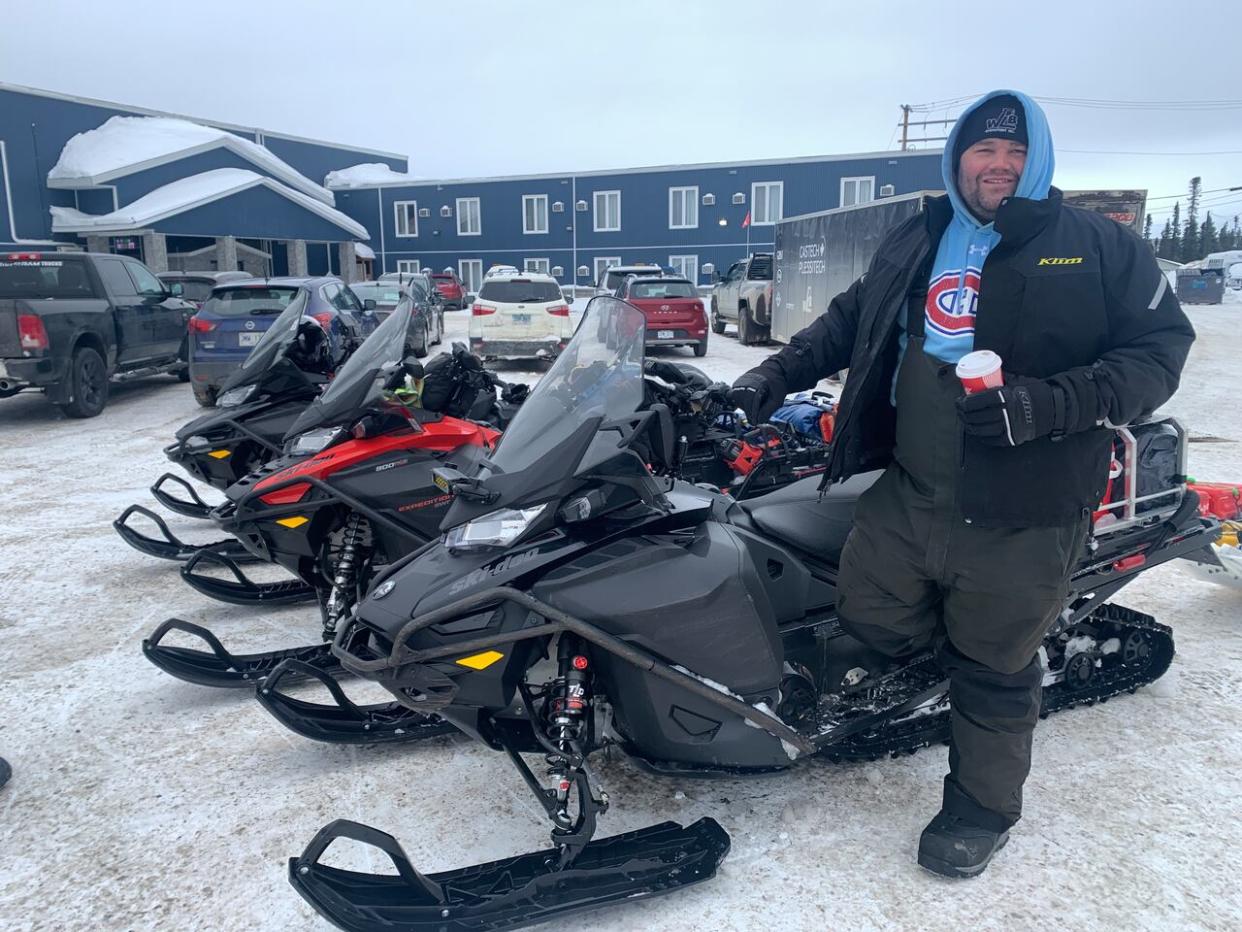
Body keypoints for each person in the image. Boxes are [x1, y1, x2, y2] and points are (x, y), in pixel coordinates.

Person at [729, 90, 1193, 878]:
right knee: (867, 609)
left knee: (995, 664)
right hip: (912, 487)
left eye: (1016, 153)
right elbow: (846, 322)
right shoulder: (921, 236)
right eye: (985, 151)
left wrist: (1047, 405)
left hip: (1029, 504)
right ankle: (924, 692)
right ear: (958, 159)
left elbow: (1160, 352)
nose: (1000, 166)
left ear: (1037, 158)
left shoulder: (1095, 247)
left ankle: (979, 810)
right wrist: (764, 380)